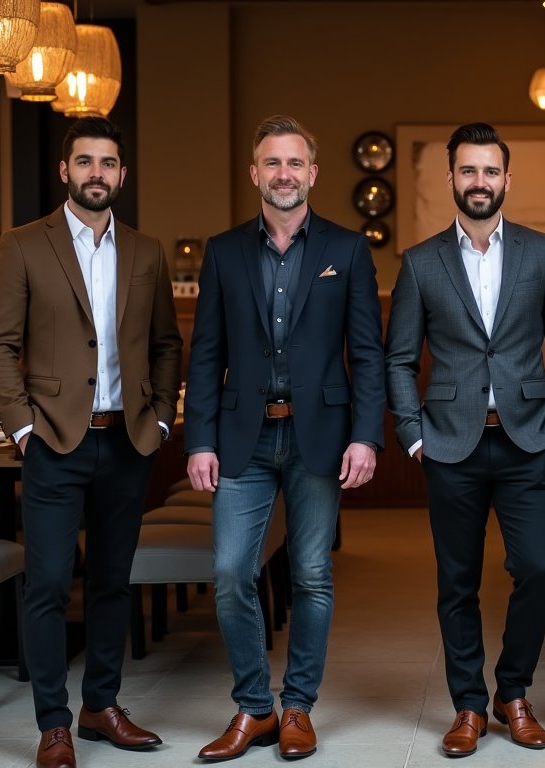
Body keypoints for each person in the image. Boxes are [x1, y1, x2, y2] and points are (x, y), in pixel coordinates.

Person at [0, 117, 181, 768]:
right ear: (65, 171)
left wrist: (162, 420)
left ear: (123, 174)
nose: (98, 172)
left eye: (110, 163)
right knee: (45, 585)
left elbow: (165, 345)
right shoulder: (23, 243)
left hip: (126, 441)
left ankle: (101, 705)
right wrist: (22, 429)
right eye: (85, 161)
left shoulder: (146, 251)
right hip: (53, 445)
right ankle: (53, 725)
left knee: (112, 585)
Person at [185, 115, 385, 762]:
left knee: (311, 575)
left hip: (319, 437)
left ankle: (297, 707)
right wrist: (199, 441)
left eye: (295, 163)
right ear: (255, 174)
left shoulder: (348, 250)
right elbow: (205, 352)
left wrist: (367, 437)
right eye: (272, 163)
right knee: (229, 571)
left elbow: (370, 355)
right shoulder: (224, 250)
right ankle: (253, 709)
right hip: (240, 435)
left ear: (313, 174)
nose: (284, 174)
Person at [385, 123, 545, 757]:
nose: (478, 182)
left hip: (527, 441)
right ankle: (468, 705)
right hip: (449, 444)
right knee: (457, 582)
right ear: (451, 179)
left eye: (489, 171)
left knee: (538, 570)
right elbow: (397, 359)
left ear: (506, 178)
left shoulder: (542, 252)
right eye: (467, 172)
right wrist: (414, 436)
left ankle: (513, 691)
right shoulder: (419, 262)